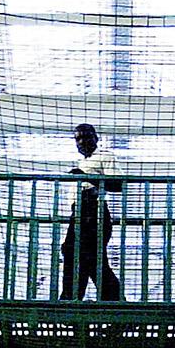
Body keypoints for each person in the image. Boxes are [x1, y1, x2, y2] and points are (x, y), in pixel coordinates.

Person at [59, 122, 123, 302]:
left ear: (96, 138)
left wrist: (86, 177)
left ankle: (72, 298)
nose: (81, 142)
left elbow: (118, 184)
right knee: (84, 256)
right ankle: (111, 300)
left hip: (93, 210)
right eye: (78, 138)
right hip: (79, 211)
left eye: (86, 137)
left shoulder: (105, 156)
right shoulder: (83, 162)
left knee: (83, 254)